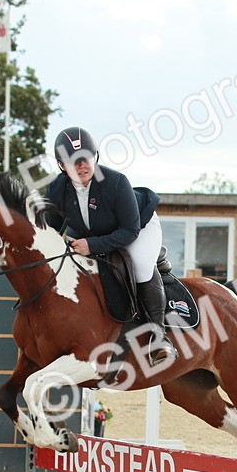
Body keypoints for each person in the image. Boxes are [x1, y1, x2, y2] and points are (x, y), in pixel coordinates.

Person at [43, 126, 176, 365]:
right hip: (93, 232)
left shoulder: (115, 182)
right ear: (62, 166)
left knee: (140, 264)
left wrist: (92, 245)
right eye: (72, 162)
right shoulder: (55, 189)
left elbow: (129, 230)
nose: (80, 166)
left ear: (95, 157)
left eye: (84, 159)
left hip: (139, 227)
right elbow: (51, 229)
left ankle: (159, 337)